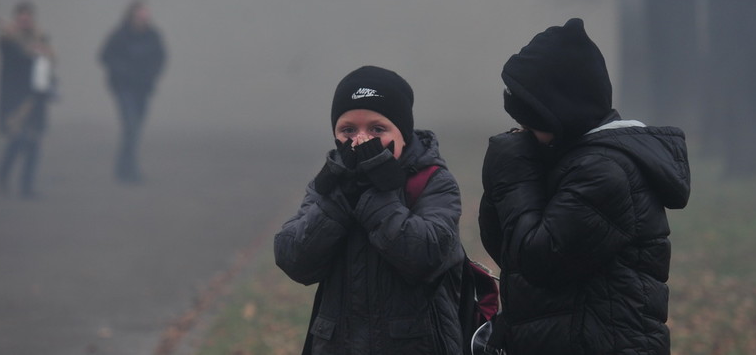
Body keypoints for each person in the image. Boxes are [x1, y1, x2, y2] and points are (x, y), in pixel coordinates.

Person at [479, 18, 691, 354]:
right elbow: (508, 251)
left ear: (561, 113)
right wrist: (501, 182)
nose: (524, 131)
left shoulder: (606, 172)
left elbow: (538, 262)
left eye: (531, 122)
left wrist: (514, 174)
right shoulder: (568, 160)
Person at [274, 66, 465, 355]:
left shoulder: (431, 180)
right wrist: (340, 198)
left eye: (377, 129)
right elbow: (293, 258)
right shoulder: (329, 184)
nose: (361, 140)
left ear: (403, 132)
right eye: (348, 130)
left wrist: (378, 193)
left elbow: (427, 257)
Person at [99, 0, 167, 184]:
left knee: (134, 130)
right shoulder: (120, 35)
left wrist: (152, 74)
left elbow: (161, 58)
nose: (143, 17)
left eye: (145, 14)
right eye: (139, 14)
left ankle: (122, 169)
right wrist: (122, 71)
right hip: (124, 89)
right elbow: (104, 56)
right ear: (131, 15)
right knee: (131, 127)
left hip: (143, 90)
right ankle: (130, 170)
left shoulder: (153, 36)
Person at [0, 0, 56, 198]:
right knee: (18, 140)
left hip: (36, 96)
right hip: (15, 97)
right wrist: (32, 51)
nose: (24, 20)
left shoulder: (42, 39)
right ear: (15, 19)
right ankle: (4, 173)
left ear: (32, 19)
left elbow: (49, 63)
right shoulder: (6, 41)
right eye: (20, 17)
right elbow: (18, 59)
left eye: (27, 17)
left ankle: (26, 187)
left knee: (34, 143)